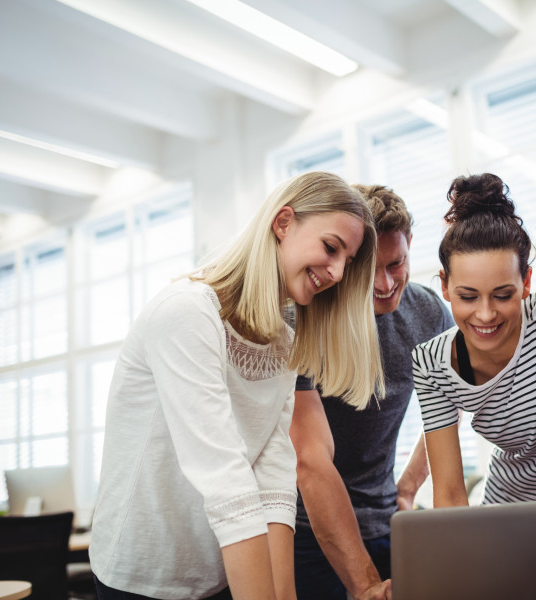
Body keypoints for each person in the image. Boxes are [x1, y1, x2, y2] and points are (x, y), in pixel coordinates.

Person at [89, 171, 385, 600]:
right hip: (143, 574)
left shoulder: (283, 342)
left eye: (348, 261)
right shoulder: (187, 313)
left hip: (217, 573)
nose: (338, 272)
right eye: (331, 247)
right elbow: (225, 478)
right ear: (283, 223)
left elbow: (274, 479)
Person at [412, 173, 536, 510]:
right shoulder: (431, 363)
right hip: (505, 510)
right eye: (468, 297)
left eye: (503, 295)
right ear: (445, 286)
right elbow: (448, 493)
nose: (486, 314)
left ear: (526, 282)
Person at [291, 184, 454, 600]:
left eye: (396, 263)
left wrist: (408, 487)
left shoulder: (428, 312)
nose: (384, 283)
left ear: (411, 246)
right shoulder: (305, 318)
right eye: (369, 271)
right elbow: (308, 461)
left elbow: (451, 405)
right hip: (305, 530)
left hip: (387, 523)